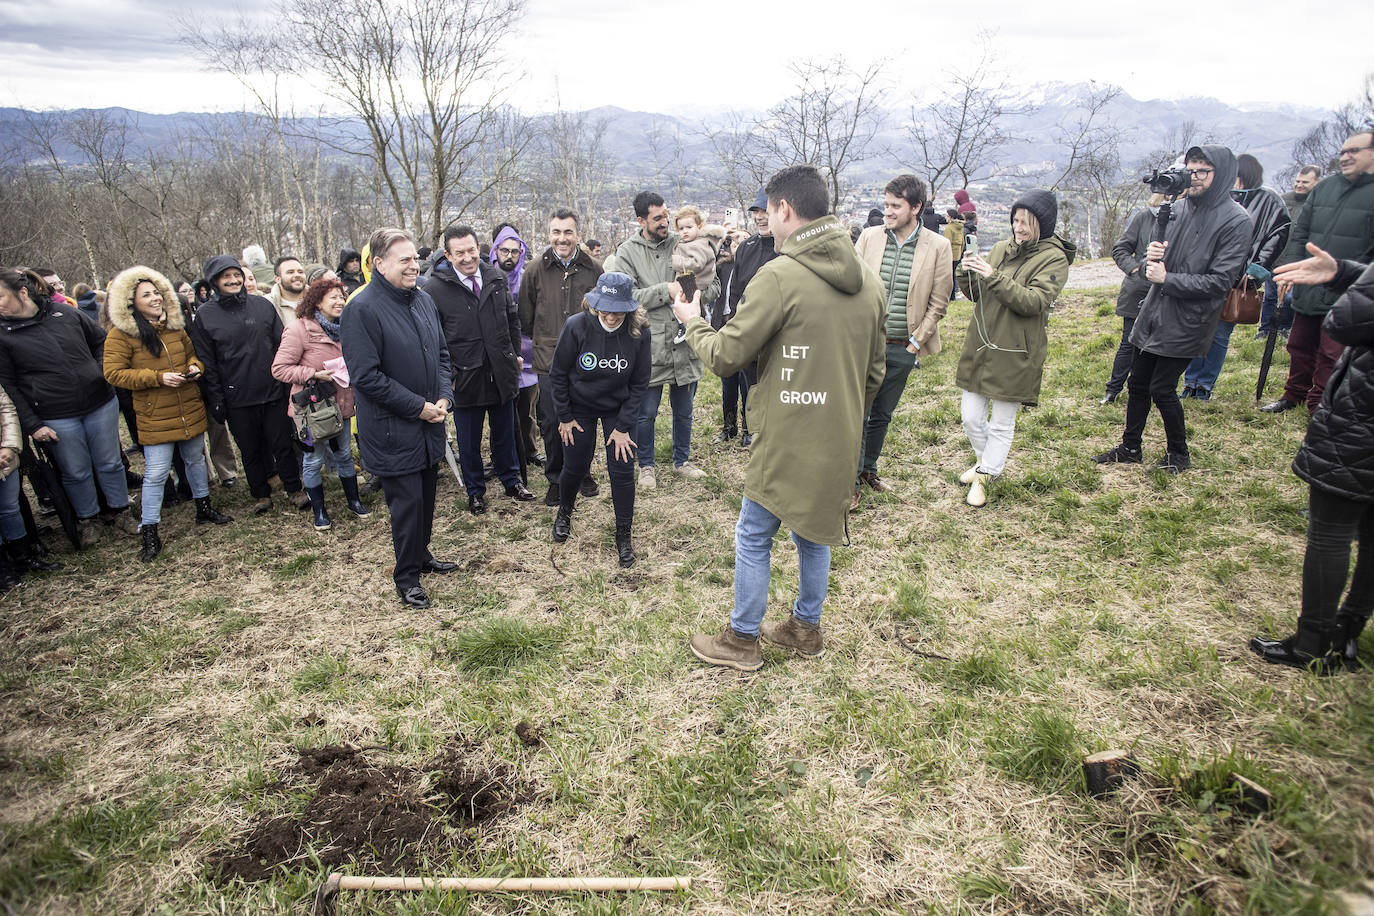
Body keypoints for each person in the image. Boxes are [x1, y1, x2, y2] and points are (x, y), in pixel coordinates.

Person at [674, 165, 885, 671]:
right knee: (815, 530)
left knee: (753, 533)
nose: (768, 219)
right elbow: (874, 373)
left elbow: (727, 356)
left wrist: (692, 321)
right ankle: (805, 628)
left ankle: (742, 638)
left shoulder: (779, 276)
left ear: (784, 210)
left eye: (769, 210)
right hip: (839, 434)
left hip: (785, 432)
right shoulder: (871, 282)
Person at [1251, 247, 1374, 673]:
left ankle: (1311, 642)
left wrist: (1356, 281)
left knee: (1331, 532)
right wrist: (1346, 271)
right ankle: (1348, 634)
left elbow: (1345, 322)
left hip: (1365, 415)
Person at [1094, 146, 1251, 472]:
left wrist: (1168, 278)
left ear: (1219, 175)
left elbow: (1220, 282)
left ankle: (1179, 454)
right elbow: (1164, 260)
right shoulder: (1179, 208)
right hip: (1153, 310)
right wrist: (1155, 254)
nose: (1192, 177)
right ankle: (1130, 447)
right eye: (1190, 169)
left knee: (1162, 388)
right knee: (1137, 383)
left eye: (1202, 172)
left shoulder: (1236, 220)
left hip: (1188, 319)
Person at [340, 227, 456, 609]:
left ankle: (421, 555)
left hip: (430, 420)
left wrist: (443, 396)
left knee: (425, 496)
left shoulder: (421, 299)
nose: (415, 265)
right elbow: (367, 377)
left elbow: (441, 354)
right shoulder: (362, 309)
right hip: (394, 428)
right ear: (379, 264)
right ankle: (407, 577)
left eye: (415, 258)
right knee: (405, 505)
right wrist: (418, 407)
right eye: (405, 260)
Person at [0, 268, 139, 546]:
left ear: (22, 292)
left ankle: (121, 510)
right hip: (54, 414)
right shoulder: (3, 336)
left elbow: (101, 341)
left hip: (99, 401)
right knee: (75, 471)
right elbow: (9, 387)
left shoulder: (64, 313)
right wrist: (34, 425)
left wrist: (102, 371)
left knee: (110, 462)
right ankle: (88, 519)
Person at [103, 266, 232, 561]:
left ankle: (204, 507)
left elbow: (192, 355)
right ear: (130, 302)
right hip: (155, 414)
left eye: (157, 293)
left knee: (195, 460)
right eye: (146, 295)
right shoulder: (120, 336)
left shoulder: (174, 326)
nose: (155, 298)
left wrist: (195, 368)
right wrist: (157, 378)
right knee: (157, 473)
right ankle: (149, 531)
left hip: (187, 406)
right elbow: (113, 373)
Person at [956, 190, 1074, 507]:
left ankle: (983, 476)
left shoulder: (1054, 259)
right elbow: (976, 294)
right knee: (970, 416)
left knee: (1002, 422)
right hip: (982, 344)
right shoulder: (999, 249)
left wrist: (993, 276)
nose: (1019, 228)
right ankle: (987, 465)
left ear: (1043, 225)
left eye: (1026, 222)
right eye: (1016, 220)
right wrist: (965, 270)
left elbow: (1033, 302)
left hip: (1016, 351)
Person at [606, 191, 719, 489]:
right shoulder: (628, 252)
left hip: (685, 343)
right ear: (641, 219)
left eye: (666, 215)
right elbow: (624, 297)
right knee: (645, 414)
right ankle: (646, 465)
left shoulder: (684, 241)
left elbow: (714, 284)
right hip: (650, 346)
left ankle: (682, 460)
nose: (665, 222)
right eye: (657, 218)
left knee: (685, 410)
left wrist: (692, 294)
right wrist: (664, 291)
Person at [852, 174, 953, 506]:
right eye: (886, 205)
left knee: (882, 414)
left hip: (902, 346)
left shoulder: (938, 246)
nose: (888, 212)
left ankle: (868, 470)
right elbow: (850, 285)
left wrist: (915, 342)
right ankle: (847, 480)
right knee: (856, 414)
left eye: (896, 206)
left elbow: (939, 303)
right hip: (864, 345)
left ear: (916, 207)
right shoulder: (868, 238)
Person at [1262, 131, 1374, 414]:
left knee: (1331, 352)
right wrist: (1293, 269)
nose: (1345, 156)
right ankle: (1293, 394)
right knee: (1299, 344)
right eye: (1343, 151)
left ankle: (1320, 405)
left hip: (1349, 290)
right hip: (1310, 285)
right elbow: (1301, 233)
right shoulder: (1324, 189)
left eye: (1354, 151)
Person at [428, 225, 534, 514]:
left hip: (501, 371)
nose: (467, 257)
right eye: (459, 252)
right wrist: (447, 375)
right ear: (448, 255)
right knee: (469, 440)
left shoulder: (495, 277)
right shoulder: (435, 288)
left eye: (471, 250)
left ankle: (512, 481)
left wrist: (514, 354)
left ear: (480, 249)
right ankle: (475, 492)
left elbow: (511, 319)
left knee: (506, 433)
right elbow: (434, 337)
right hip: (464, 377)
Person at [190, 254, 307, 514]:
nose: (233, 281)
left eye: (236, 275)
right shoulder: (206, 316)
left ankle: (294, 488)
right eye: (226, 277)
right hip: (237, 397)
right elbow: (207, 362)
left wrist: (287, 384)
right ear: (214, 282)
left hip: (272, 390)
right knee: (250, 448)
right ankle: (261, 494)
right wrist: (217, 399)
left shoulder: (262, 306)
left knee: (283, 444)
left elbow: (281, 346)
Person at [548, 272, 651, 566]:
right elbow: (557, 375)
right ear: (594, 304)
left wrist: (622, 426)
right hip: (579, 407)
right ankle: (564, 511)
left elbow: (640, 383)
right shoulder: (577, 326)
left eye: (618, 309)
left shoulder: (639, 332)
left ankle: (623, 535)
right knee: (576, 464)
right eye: (604, 307)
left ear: (629, 308)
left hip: (617, 409)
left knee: (621, 469)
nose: (610, 314)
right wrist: (565, 417)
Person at [1179, 153, 1290, 400]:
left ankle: (1205, 385)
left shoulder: (1268, 199)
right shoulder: (1219, 197)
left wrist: (1258, 268)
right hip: (1206, 274)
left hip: (1239, 277)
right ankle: (1190, 382)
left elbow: (1278, 234)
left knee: (1219, 333)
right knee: (1197, 330)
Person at [271, 278, 371, 531]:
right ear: (317, 301)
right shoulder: (299, 330)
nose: (340, 302)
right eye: (333, 298)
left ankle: (354, 501)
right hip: (311, 411)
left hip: (342, 405)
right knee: (313, 460)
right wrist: (312, 374)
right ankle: (319, 511)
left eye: (342, 297)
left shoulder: (347, 327)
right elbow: (279, 369)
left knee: (345, 455)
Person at [519, 209, 603, 505]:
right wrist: (546, 339)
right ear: (549, 234)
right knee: (553, 421)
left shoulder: (594, 269)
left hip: (586, 360)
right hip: (548, 360)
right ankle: (556, 477)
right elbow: (525, 316)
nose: (562, 238)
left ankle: (582, 472)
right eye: (556, 232)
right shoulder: (534, 270)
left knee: (585, 419)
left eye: (568, 232)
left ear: (578, 235)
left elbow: (603, 313)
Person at [715, 189, 777, 447]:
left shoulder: (789, 248)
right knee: (752, 390)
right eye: (756, 212)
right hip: (751, 339)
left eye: (765, 211)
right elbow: (736, 292)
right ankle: (751, 431)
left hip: (779, 342)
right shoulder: (747, 248)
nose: (760, 218)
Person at [1102, 195, 1164, 404]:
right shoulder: (1145, 217)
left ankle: (1151, 391)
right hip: (1138, 291)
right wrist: (1136, 269)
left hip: (1170, 292)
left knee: (1160, 345)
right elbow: (1120, 249)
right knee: (1129, 343)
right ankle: (1113, 389)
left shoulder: (1190, 220)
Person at [0, 385, 61, 587]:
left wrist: (9, 446)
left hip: (4, 457)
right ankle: (3, 570)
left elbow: (6, 408)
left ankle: (23, 558)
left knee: (10, 509)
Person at [1255, 166, 1321, 340]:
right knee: (1270, 296)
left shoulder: (1318, 204)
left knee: (1290, 298)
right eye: (1297, 181)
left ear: (1316, 182)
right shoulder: (1284, 200)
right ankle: (1265, 329)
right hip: (1277, 258)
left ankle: (1285, 328)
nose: (1299, 185)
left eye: (1304, 182)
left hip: (1299, 261)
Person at [669, 205, 722, 340]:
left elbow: (697, 264)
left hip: (696, 281)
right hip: (693, 281)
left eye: (689, 227)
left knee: (680, 305)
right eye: (681, 229)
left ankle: (685, 326)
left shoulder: (699, 244)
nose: (685, 231)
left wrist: (675, 262)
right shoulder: (690, 243)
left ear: (699, 226)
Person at [266, 256, 307, 327]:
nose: (297, 275)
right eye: (290, 272)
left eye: (300, 272)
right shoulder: (267, 304)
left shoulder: (318, 300)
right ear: (277, 279)